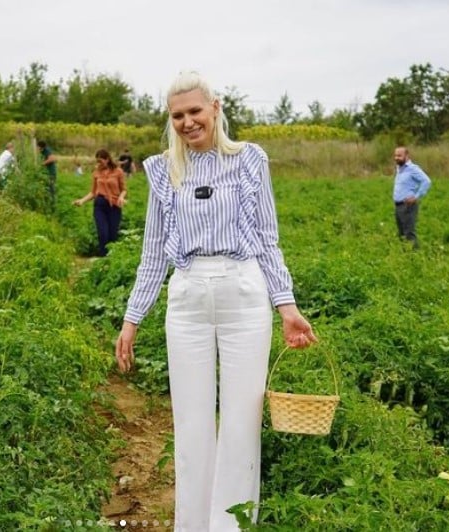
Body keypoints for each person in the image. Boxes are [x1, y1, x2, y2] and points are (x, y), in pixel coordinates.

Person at [115, 71, 317, 531]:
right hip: (187, 297)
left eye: (194, 112)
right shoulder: (164, 169)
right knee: (191, 422)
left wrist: (287, 307)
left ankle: (230, 525)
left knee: (242, 422)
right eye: (177, 116)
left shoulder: (249, 160)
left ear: (215, 108)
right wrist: (132, 318)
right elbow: (152, 251)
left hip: (243, 295)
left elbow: (267, 238)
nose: (187, 123)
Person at [73, 149, 127, 256]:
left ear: (107, 159)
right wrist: (82, 201)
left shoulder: (118, 171)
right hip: (100, 205)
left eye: (100, 161)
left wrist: (121, 197)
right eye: (97, 161)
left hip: (114, 206)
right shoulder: (96, 173)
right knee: (103, 233)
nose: (98, 164)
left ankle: (111, 259)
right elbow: (93, 192)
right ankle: (103, 259)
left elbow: (124, 189)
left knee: (112, 235)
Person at [393, 146, 431, 248]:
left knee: (409, 233)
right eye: (395, 155)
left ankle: (414, 257)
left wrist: (416, 196)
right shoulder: (399, 168)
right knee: (401, 233)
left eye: (399, 156)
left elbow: (426, 181)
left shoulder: (413, 169)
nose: (396, 158)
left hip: (408, 205)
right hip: (398, 205)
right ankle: (404, 256)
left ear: (407, 156)